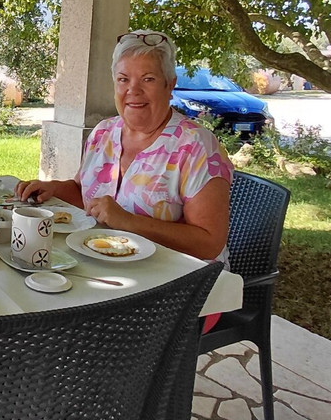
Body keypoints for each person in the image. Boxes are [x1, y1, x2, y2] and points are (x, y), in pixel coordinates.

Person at [15, 30, 233, 264]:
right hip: (104, 265)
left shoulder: (196, 146)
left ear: (170, 85)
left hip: (177, 283)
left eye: (148, 79)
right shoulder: (103, 133)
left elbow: (209, 243)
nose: (133, 90)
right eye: (123, 79)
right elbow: (85, 194)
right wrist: (54, 189)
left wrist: (128, 222)